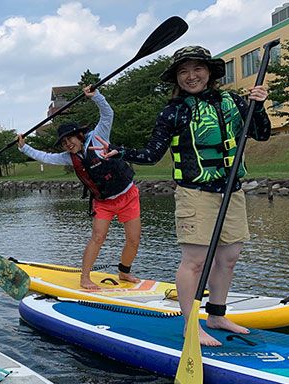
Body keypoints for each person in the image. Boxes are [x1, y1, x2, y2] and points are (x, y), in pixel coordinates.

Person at [103, 46, 271, 346]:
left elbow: (261, 134)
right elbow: (153, 154)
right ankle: (189, 324)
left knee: (229, 257)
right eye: (183, 72)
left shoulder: (232, 101)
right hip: (196, 193)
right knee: (195, 260)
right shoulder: (174, 111)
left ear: (209, 72)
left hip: (232, 191)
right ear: (176, 79)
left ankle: (217, 315)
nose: (191, 76)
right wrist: (122, 152)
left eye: (197, 69)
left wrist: (258, 106)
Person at [17, 86, 142, 290]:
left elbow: (108, 114)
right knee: (98, 237)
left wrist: (97, 97)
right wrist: (24, 147)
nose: (67, 144)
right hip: (104, 202)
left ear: (80, 135)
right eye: (64, 142)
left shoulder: (98, 136)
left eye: (70, 139)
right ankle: (85, 278)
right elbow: (45, 157)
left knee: (134, 239)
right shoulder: (69, 157)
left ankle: (124, 272)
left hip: (128, 194)